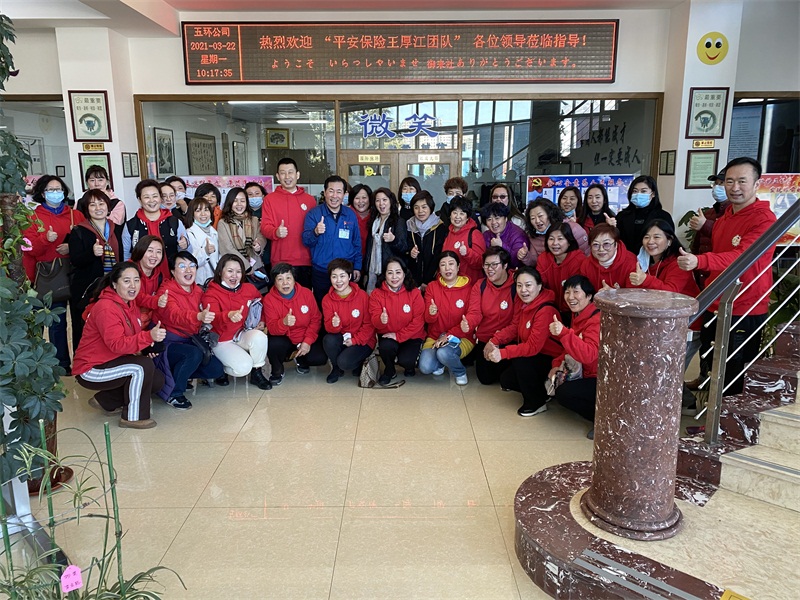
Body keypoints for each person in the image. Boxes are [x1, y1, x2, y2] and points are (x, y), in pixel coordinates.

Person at [678, 156, 777, 397]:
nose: (734, 187)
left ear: (756, 184)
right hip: (715, 300)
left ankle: (725, 417)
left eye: (742, 181)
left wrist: (700, 260)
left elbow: (742, 258)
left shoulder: (764, 220)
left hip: (744, 306)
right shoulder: (725, 217)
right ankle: (706, 404)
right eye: (729, 181)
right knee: (710, 358)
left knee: (734, 369)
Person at [73, 262, 166, 429]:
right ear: (114, 284)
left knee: (156, 379)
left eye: (136, 280)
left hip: (112, 360)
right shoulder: (106, 307)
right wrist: (148, 337)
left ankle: (106, 401)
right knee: (142, 367)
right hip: (91, 368)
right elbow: (117, 345)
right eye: (127, 281)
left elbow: (130, 337)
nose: (133, 285)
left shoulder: (130, 303)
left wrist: (146, 346)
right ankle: (133, 417)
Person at [22, 174, 86, 373]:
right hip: (45, 278)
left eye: (59, 189)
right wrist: (45, 239)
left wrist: (71, 246)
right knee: (46, 323)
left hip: (71, 276)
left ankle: (64, 365)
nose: (55, 193)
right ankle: (39, 366)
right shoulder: (32, 216)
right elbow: (28, 247)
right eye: (50, 190)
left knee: (68, 323)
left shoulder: (75, 215)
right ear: (42, 193)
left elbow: (86, 241)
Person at [484, 267, 562, 417]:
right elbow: (515, 326)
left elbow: (533, 347)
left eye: (528, 285)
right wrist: (494, 341)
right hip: (534, 355)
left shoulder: (546, 310)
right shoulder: (521, 301)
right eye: (519, 285)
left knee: (520, 360)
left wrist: (502, 353)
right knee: (506, 380)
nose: (523, 290)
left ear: (539, 286)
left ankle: (536, 403)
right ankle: (543, 391)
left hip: (551, 358)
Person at [153, 251, 226, 408]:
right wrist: (198, 316)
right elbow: (175, 315)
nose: (188, 270)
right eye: (182, 266)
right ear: (173, 271)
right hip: (167, 344)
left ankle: (179, 375)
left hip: (190, 340)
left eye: (192, 266)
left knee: (216, 369)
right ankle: (174, 393)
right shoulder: (166, 291)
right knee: (193, 354)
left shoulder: (197, 290)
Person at [201, 254, 272, 389]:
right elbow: (213, 318)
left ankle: (257, 373)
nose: (234, 275)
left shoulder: (249, 289)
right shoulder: (211, 293)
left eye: (238, 271)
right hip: (222, 339)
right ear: (220, 272)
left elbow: (261, 305)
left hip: (242, 333)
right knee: (243, 368)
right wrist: (228, 315)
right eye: (230, 271)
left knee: (260, 337)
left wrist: (262, 321)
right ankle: (220, 368)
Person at [548, 275, 601, 439]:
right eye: (567, 292)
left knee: (565, 393)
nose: (570, 297)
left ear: (589, 296)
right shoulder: (578, 314)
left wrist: (564, 333)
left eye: (576, 292)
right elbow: (570, 347)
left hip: (600, 377)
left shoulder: (597, 319)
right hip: (583, 371)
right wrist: (556, 364)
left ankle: (604, 422)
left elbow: (589, 354)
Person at [68, 189, 122, 348]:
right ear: (86, 209)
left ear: (108, 206)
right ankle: (82, 360)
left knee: (110, 324)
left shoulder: (117, 229)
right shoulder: (78, 231)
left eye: (101, 203)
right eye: (92, 205)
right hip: (87, 288)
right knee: (84, 326)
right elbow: (75, 260)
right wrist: (91, 253)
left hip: (113, 286)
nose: (98, 208)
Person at [263, 262, 327, 386]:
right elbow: (272, 328)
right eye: (280, 279)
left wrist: (307, 341)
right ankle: (277, 370)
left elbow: (316, 319)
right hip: (284, 338)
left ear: (294, 279)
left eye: (288, 278)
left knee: (319, 358)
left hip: (304, 336)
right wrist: (283, 322)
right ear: (274, 282)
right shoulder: (269, 299)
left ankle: (301, 358)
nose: (285, 283)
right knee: (274, 343)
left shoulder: (306, 293)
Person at [302, 175, 362, 305]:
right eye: (331, 191)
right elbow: (306, 241)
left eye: (339, 191)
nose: (335, 196)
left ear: (344, 194)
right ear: (325, 192)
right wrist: (315, 232)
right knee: (322, 306)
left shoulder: (350, 214)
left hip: (345, 272)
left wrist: (357, 267)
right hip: (322, 272)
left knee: (346, 307)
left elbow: (356, 242)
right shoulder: (314, 214)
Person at [463, 248, 517, 385]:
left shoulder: (517, 285)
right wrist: (468, 322)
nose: (489, 269)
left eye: (494, 264)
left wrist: (497, 340)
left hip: (508, 339)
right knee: (485, 379)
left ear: (505, 265)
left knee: (506, 377)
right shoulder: (480, 285)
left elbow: (517, 323)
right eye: (486, 265)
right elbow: (475, 312)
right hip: (486, 338)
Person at [418, 251, 474, 385]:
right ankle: (441, 363)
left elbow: (471, 319)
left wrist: (448, 336)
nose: (447, 268)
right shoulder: (432, 287)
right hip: (435, 336)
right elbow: (428, 320)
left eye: (451, 264)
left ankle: (459, 372)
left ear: (458, 266)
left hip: (462, 336)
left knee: (444, 353)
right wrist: (431, 313)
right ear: (439, 268)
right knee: (425, 367)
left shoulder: (469, 289)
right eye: (443, 265)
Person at [260, 158, 316, 290]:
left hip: (305, 260)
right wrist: (275, 232)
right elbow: (265, 227)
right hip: (280, 260)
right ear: (278, 176)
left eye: (290, 172)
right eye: (283, 173)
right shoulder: (269, 199)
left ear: (297, 174)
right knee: (280, 299)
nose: (287, 177)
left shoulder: (310, 200)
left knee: (304, 297)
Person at [369, 257, 425, 385]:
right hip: (388, 335)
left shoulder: (414, 293)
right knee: (386, 347)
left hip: (411, 336)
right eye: (390, 273)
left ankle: (409, 366)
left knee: (407, 360)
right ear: (385, 275)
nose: (394, 277)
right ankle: (389, 370)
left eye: (398, 272)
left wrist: (398, 336)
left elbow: (419, 321)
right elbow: (374, 322)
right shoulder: (376, 294)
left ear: (404, 274)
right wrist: (380, 320)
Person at [321, 259, 376, 384]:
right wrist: (334, 325)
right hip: (342, 338)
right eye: (334, 277)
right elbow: (329, 328)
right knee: (328, 340)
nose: (338, 281)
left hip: (363, 340)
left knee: (345, 363)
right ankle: (336, 368)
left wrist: (355, 340)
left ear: (350, 276)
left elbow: (369, 325)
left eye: (342, 276)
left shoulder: (362, 296)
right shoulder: (327, 299)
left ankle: (357, 362)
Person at [122, 179, 190, 277]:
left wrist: (185, 245)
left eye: (155, 196)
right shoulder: (131, 225)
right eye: (146, 197)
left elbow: (186, 252)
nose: (152, 201)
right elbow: (126, 255)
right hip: (141, 279)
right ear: (139, 200)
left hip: (170, 277)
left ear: (160, 198)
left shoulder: (175, 222)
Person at [217, 187, 268, 289]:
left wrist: (258, 245)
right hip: (235, 271)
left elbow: (261, 236)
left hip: (255, 267)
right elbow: (227, 248)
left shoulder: (254, 220)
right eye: (235, 201)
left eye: (242, 201)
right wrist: (246, 267)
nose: (239, 204)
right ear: (230, 203)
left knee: (256, 296)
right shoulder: (223, 223)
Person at [688, 170, 731, 290]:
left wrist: (705, 225)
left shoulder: (734, 214)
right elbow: (697, 245)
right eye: (715, 183)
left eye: (721, 183)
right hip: (702, 273)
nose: (717, 187)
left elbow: (729, 238)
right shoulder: (708, 214)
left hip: (722, 275)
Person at [362, 187, 409, 293]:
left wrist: (393, 240)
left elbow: (404, 248)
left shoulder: (398, 221)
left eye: (384, 200)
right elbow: (369, 249)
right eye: (377, 200)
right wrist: (366, 271)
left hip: (389, 271)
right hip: (372, 271)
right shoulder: (374, 222)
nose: (381, 204)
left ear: (390, 201)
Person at [616, 175, 674, 262]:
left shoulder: (663, 216)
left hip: (655, 262)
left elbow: (669, 241)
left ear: (653, 194)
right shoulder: (622, 216)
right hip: (626, 261)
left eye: (643, 191)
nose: (638, 194)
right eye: (635, 191)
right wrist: (611, 227)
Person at [518, 199, 590, 268]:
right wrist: (526, 256)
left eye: (540, 216)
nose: (537, 221)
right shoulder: (533, 236)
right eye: (533, 218)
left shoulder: (573, 229)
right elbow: (536, 262)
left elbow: (586, 255)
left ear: (550, 214)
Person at [536, 223, 587, 319]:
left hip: (573, 310)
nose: (555, 243)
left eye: (560, 239)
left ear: (569, 242)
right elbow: (540, 285)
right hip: (549, 308)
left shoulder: (579, 260)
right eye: (551, 239)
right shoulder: (543, 258)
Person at [578, 223, 638, 291]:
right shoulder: (586, 264)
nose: (601, 249)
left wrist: (613, 293)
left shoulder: (631, 263)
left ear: (616, 245)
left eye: (606, 244)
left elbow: (634, 294)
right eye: (596, 244)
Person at [407, 190, 446, 289]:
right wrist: (411, 252)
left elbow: (438, 255)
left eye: (424, 207)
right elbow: (406, 249)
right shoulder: (409, 226)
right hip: (414, 280)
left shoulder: (439, 227)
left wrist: (428, 281)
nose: (420, 211)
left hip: (433, 279)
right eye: (416, 207)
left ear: (430, 208)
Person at [442, 195, 486, 284]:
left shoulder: (475, 234)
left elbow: (482, 262)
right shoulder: (449, 233)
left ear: (467, 217)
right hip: (451, 284)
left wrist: (467, 253)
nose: (457, 216)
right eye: (454, 212)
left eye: (462, 213)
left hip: (470, 285)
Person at [130, 235, 166, 329]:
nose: (154, 255)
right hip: (128, 322)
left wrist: (162, 299)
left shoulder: (159, 275)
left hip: (148, 323)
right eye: (150, 250)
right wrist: (156, 301)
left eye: (158, 252)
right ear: (141, 250)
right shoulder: (128, 270)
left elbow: (163, 293)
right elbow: (134, 296)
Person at [481, 202, 529, 268]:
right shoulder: (486, 235)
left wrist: (501, 246)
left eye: (497, 218)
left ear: (506, 218)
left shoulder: (518, 234)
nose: (493, 222)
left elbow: (518, 263)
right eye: (489, 219)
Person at [184, 196, 219, 286]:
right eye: (198, 211)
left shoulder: (214, 232)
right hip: (200, 281)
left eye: (206, 210)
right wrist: (205, 252)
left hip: (215, 279)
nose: (203, 214)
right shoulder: (189, 234)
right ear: (192, 214)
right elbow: (191, 263)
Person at [350, 183, 373, 258]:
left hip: (371, 259)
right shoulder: (346, 215)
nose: (361, 201)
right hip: (350, 259)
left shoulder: (376, 216)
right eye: (357, 198)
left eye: (364, 198)